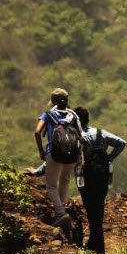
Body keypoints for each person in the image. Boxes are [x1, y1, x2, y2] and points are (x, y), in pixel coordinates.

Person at [73, 106, 126, 254]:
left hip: (83, 177)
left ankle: (97, 246)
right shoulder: (100, 133)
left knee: (90, 209)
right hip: (102, 176)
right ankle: (95, 244)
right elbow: (122, 143)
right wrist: (109, 158)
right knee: (99, 207)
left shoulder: (77, 136)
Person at [34, 88, 83, 227]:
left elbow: (37, 132)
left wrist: (41, 151)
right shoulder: (73, 115)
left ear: (53, 102)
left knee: (51, 185)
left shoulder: (48, 114)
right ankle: (60, 212)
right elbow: (81, 136)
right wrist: (80, 157)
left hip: (54, 153)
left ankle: (60, 213)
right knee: (65, 180)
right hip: (72, 155)